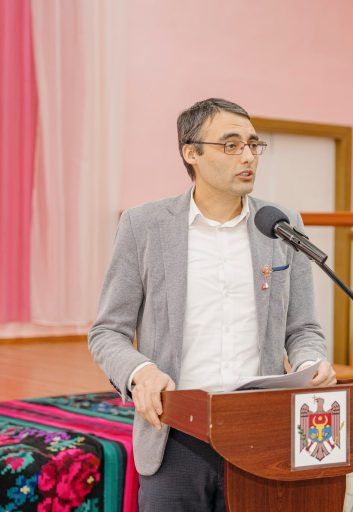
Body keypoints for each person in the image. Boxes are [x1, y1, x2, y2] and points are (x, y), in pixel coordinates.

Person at [88, 98, 336, 511]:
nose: (248, 157)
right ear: (192, 153)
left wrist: (311, 363)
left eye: (253, 145)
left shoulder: (280, 224)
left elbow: (303, 328)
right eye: (231, 145)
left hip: (261, 431)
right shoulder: (144, 225)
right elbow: (107, 332)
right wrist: (140, 372)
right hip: (174, 432)